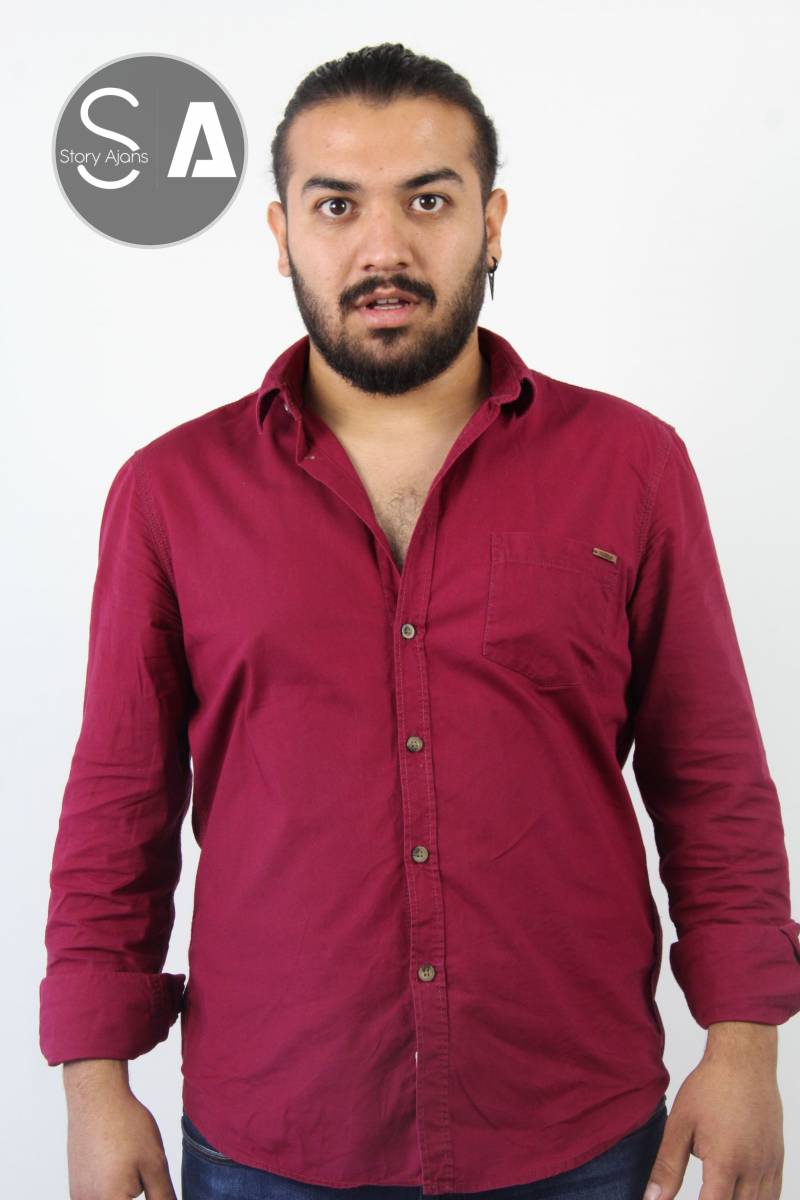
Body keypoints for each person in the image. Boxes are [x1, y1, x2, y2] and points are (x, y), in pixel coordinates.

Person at [39, 41, 799, 1200]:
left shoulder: (630, 466)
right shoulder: (169, 493)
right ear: (281, 234)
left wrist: (744, 1049)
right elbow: (116, 807)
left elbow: (710, 779)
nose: (382, 248)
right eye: (336, 205)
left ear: (490, 224)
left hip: (575, 1134)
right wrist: (95, 1088)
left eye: (428, 201)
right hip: (273, 1139)